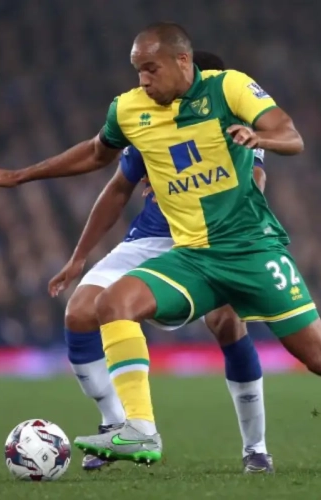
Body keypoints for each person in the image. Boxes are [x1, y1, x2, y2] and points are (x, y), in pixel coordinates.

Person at [0, 22, 321, 473]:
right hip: (193, 257)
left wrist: (260, 139)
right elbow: (97, 155)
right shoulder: (129, 109)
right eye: (137, 70)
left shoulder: (229, 88)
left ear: (183, 61)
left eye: (151, 69)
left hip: (253, 252)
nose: (143, 79)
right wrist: (23, 175)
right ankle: (138, 429)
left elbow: (291, 135)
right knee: (113, 302)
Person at [48, 51, 273, 474]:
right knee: (79, 312)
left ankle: (256, 448)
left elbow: (256, 178)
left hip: (215, 239)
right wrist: (79, 257)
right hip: (151, 239)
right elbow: (118, 188)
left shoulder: (236, 121)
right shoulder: (151, 124)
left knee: (227, 321)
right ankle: (116, 424)